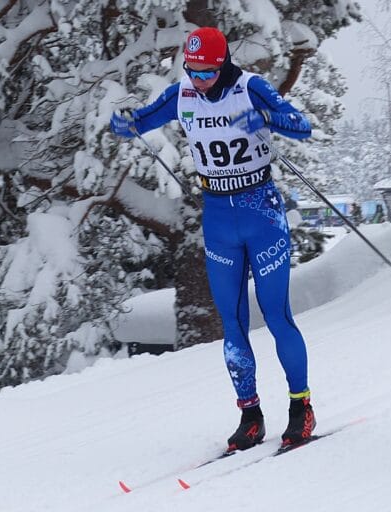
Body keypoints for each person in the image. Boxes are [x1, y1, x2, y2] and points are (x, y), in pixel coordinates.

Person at [110, 27, 315, 451]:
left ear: (222, 66)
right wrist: (124, 123)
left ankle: (301, 408)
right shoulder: (182, 93)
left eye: (206, 73)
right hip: (219, 218)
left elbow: (301, 126)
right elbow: (141, 122)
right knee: (233, 323)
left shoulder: (249, 88)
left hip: (261, 212)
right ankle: (250, 415)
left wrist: (264, 118)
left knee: (277, 316)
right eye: (192, 70)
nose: (199, 81)